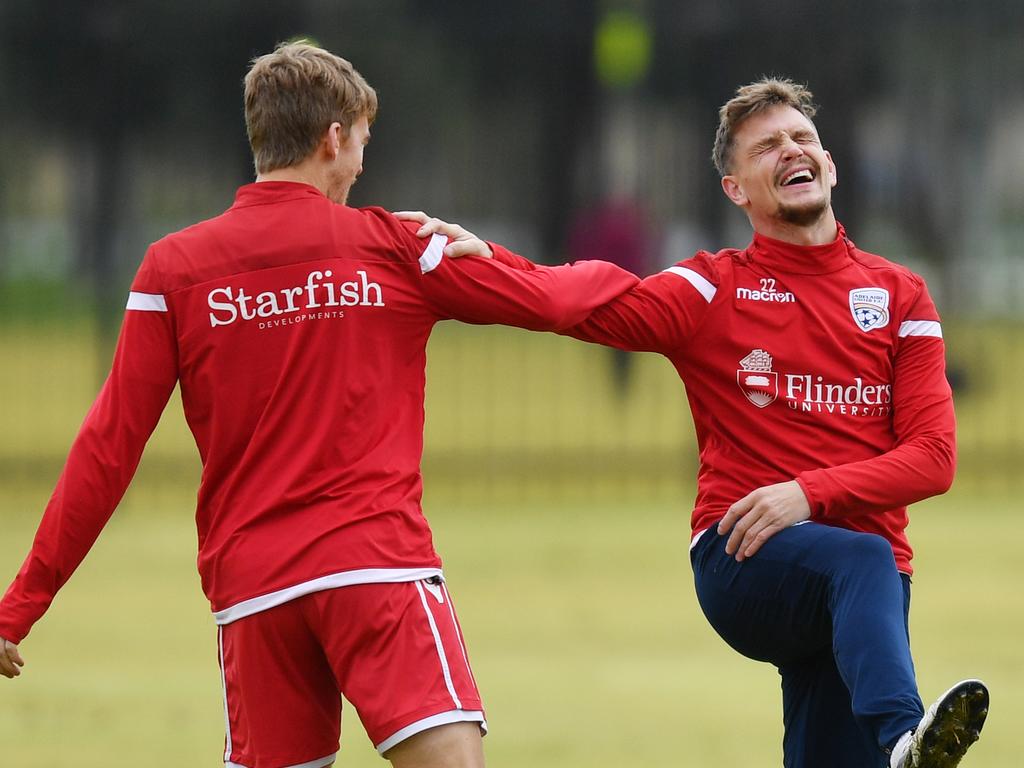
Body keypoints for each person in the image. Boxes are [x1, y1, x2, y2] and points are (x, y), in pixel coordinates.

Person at [0, 42, 639, 768]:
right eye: (362, 141)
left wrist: (19, 606)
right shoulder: (396, 246)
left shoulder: (172, 269)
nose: (363, 165)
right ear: (333, 137)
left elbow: (107, 448)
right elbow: (555, 300)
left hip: (256, 596)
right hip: (376, 571)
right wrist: (675, 294)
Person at [401, 78, 989, 768]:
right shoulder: (715, 287)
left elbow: (934, 459)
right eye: (766, 147)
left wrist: (807, 493)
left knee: (837, 712)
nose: (790, 151)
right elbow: (585, 302)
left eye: (801, 139)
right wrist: (491, 260)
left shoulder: (900, 294)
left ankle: (889, 750)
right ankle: (900, 737)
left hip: (863, 592)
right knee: (865, 567)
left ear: (829, 164)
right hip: (744, 556)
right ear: (736, 190)